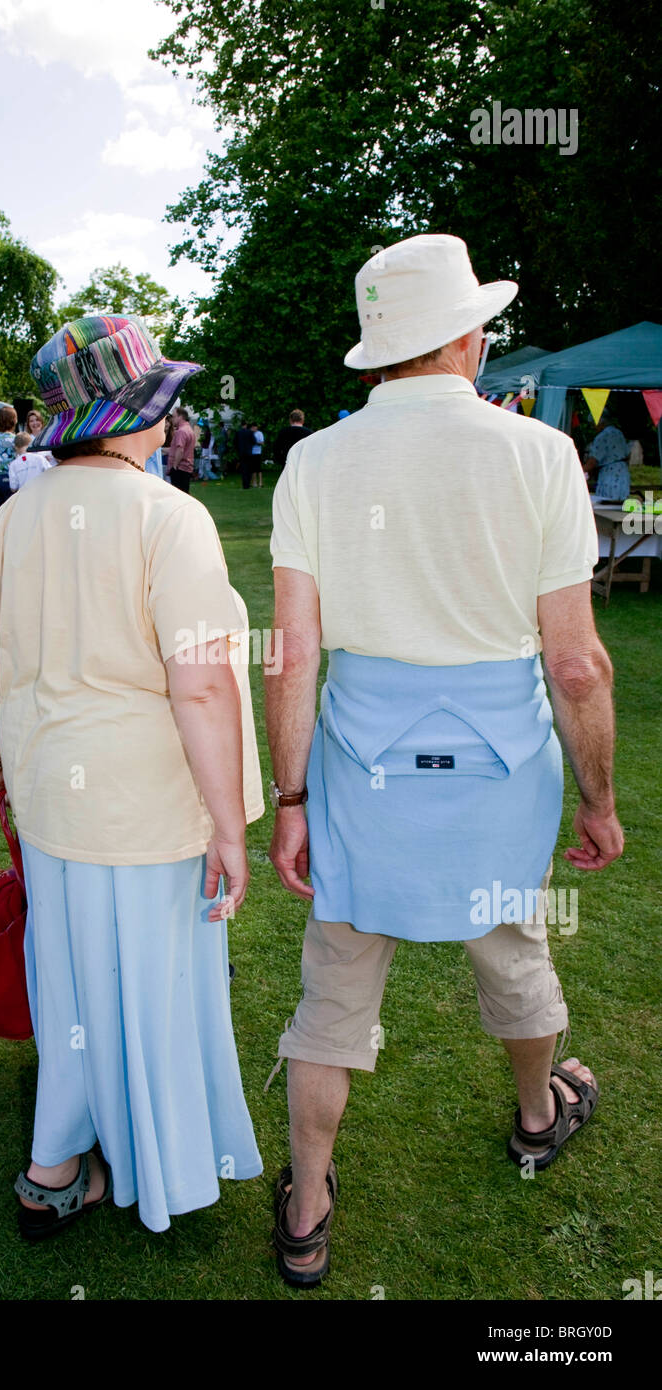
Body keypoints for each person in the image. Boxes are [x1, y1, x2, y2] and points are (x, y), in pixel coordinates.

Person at [265, 233, 623, 1288]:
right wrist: (597, 798)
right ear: (465, 336)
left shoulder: (313, 460)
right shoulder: (535, 454)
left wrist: (288, 797)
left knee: (333, 987)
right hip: (495, 768)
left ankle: (308, 1201)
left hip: (360, 767)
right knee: (512, 950)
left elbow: (291, 652)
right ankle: (532, 1114)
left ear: (380, 352)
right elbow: (573, 663)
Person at [0, 313, 264, 1238]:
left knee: (72, 979)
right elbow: (203, 685)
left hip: (52, 787)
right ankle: (153, 1163)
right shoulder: (169, 516)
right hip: (145, 802)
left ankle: (58, 1162)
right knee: (150, 983)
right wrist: (227, 825)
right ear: (130, 411)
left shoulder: (18, 514)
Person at [584, 419, 631, 502]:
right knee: (620, 506)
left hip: (610, 474)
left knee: (607, 504)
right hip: (623, 473)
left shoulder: (602, 436)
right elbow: (628, 454)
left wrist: (577, 471)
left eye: (593, 424)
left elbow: (592, 463)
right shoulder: (619, 433)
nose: (593, 427)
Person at [167, 406, 195, 492]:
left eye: (174, 416)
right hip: (186, 468)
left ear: (180, 417)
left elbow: (180, 449)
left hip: (179, 468)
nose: (172, 419)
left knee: (178, 494)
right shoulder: (189, 429)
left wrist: (175, 465)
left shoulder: (181, 431)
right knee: (184, 493)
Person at [235, 420, 255, 489]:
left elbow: (235, 442)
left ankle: (244, 484)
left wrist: (238, 449)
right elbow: (254, 441)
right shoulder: (250, 432)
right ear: (246, 425)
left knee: (243, 469)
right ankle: (248, 484)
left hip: (241, 452)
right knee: (249, 469)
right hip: (249, 452)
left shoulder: (238, 432)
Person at [251, 423, 264, 488]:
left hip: (258, 452)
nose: (254, 428)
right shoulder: (250, 433)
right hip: (251, 453)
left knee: (258, 468)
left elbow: (262, 442)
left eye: (255, 427)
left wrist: (255, 442)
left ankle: (260, 483)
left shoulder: (259, 433)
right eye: (252, 427)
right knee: (253, 469)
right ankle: (254, 483)